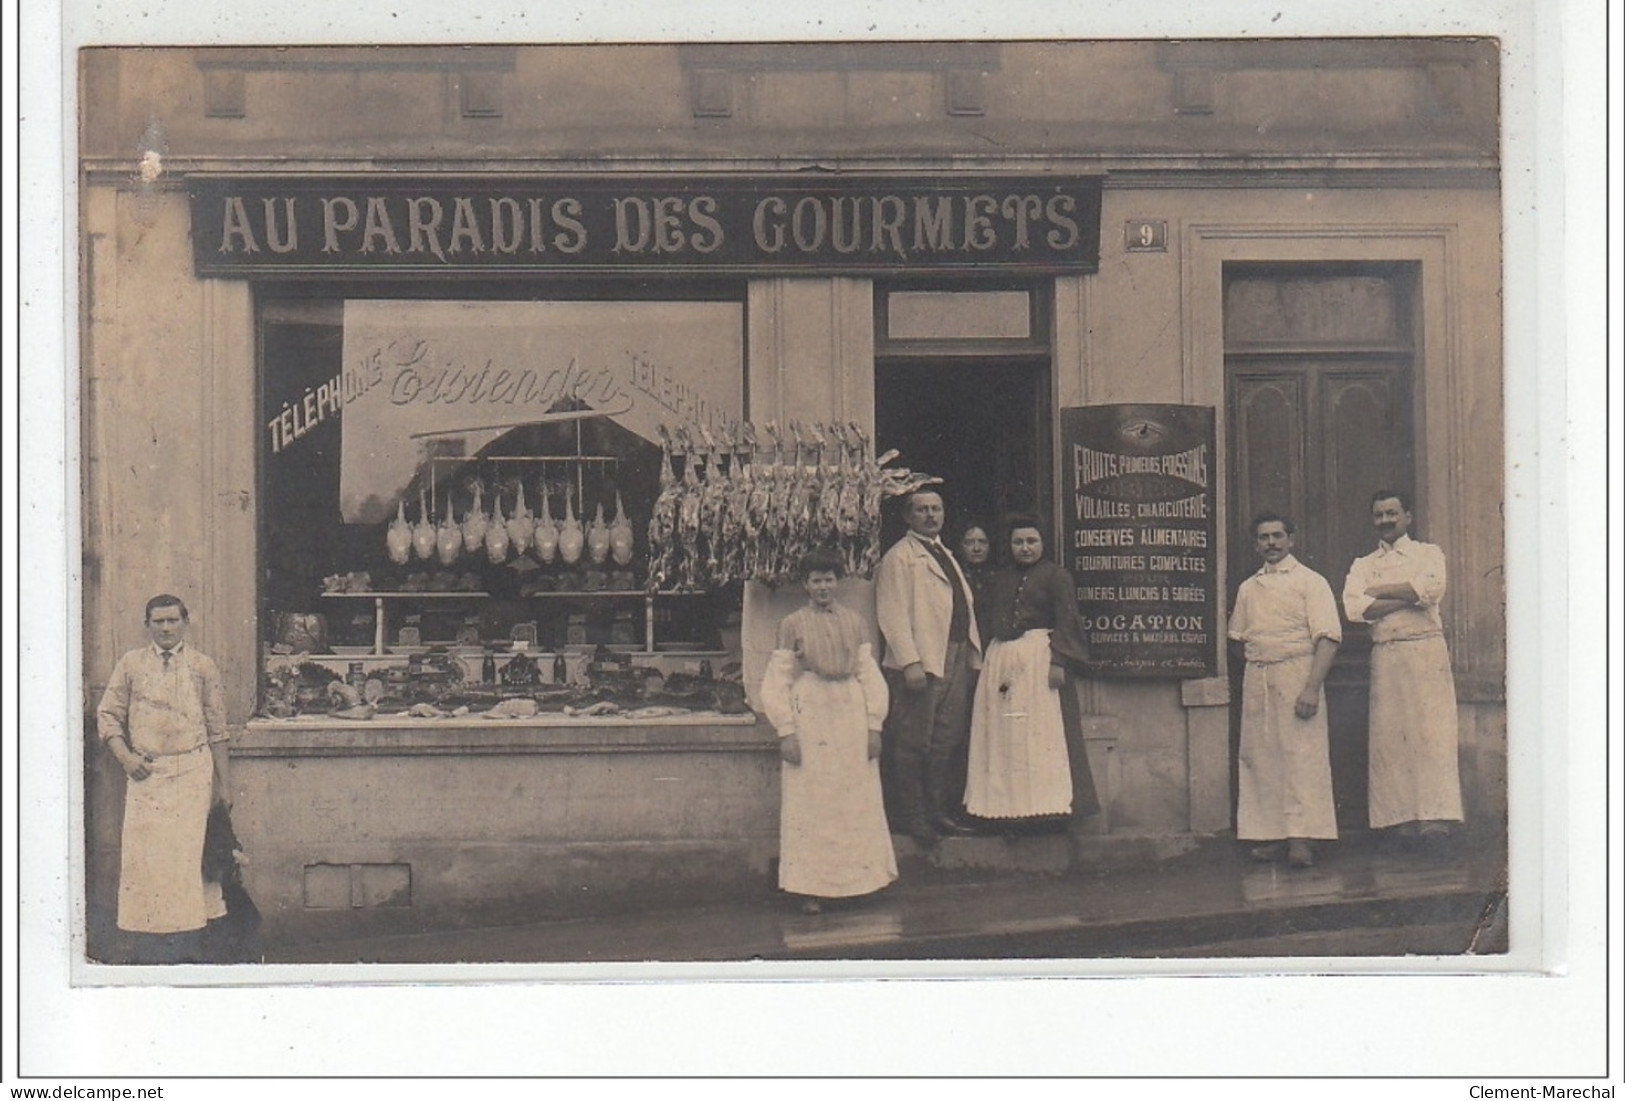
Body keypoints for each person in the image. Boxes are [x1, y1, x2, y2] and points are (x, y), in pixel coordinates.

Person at [96, 594, 232, 962]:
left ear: (185, 622)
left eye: (173, 620)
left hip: (192, 772)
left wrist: (225, 786)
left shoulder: (203, 666)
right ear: (148, 625)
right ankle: (150, 947)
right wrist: (126, 758)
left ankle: (190, 944)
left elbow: (218, 730)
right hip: (147, 775)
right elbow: (107, 716)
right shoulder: (131, 665)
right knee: (149, 861)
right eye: (159, 622)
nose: (167, 628)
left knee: (188, 861)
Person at [760, 550, 896, 914]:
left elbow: (869, 674)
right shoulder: (792, 624)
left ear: (839, 583)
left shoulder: (855, 621)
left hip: (849, 711)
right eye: (816, 580)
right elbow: (777, 680)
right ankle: (811, 889)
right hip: (812, 710)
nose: (824, 587)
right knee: (812, 799)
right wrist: (786, 730)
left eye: (830, 580)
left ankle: (861, 882)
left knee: (854, 796)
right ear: (806, 585)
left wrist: (874, 725)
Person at [1342, 490, 1464, 848]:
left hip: (1425, 651)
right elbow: (1354, 607)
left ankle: (1435, 819)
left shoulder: (1429, 553)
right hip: (1387, 654)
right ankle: (1398, 821)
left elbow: (1431, 589)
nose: (1386, 520)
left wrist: (1379, 593)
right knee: (1391, 736)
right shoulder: (1362, 563)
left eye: (1392, 513)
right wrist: (1407, 594)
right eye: (1379, 515)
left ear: (1408, 516)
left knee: (1431, 732)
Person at [963, 517, 1100, 832]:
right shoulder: (1001, 578)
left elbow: (1068, 619)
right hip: (1001, 661)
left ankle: (1045, 810)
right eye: (1018, 542)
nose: (1025, 548)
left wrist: (1059, 662)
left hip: (1039, 658)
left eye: (1031, 542)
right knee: (1004, 734)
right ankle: (1007, 811)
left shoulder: (1056, 576)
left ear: (1042, 544)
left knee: (1040, 733)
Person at [1227, 514, 1342, 868]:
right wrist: (1261, 662)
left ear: (1291, 539)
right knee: (1262, 757)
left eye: (1278, 536)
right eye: (1264, 538)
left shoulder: (1311, 582)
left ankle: (1302, 838)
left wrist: (1310, 688)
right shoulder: (1249, 587)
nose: (1272, 543)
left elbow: (1329, 638)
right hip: (1260, 678)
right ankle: (1271, 835)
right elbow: (1236, 638)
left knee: (1301, 757)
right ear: (1256, 544)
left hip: (1298, 675)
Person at [874, 489, 983, 847]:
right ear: (908, 517)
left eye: (936, 508)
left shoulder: (944, 553)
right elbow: (891, 612)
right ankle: (912, 817)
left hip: (952, 655)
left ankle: (937, 811)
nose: (930, 515)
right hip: (920, 663)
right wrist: (910, 661)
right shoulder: (899, 557)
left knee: (945, 740)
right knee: (912, 741)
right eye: (922, 510)